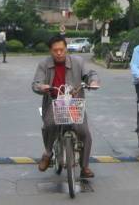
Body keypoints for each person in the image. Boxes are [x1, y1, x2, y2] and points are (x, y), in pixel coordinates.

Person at [31, 35, 99, 178]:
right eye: (55, 50)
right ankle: (48, 153)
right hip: (53, 103)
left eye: (62, 49)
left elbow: (90, 74)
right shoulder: (44, 64)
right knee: (49, 125)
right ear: (50, 51)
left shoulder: (78, 62)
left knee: (84, 132)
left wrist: (92, 82)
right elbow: (36, 83)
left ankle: (85, 166)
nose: (59, 53)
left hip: (74, 103)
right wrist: (41, 86)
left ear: (66, 49)